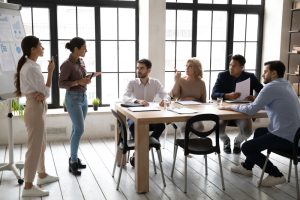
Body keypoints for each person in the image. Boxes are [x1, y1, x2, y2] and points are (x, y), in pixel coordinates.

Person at [220, 60, 300, 187]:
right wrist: (256, 101)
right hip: (296, 137)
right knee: (259, 132)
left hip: (286, 139)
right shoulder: (286, 85)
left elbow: (251, 110)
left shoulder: (271, 87)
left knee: (246, 147)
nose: (262, 75)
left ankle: (276, 174)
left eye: (265, 72)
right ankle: (247, 167)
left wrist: (231, 107)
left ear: (273, 73)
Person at [15, 36, 58, 197]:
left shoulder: (31, 65)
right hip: (34, 107)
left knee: (41, 143)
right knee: (34, 148)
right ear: (33, 49)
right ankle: (27, 186)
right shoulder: (31, 68)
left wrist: (42, 94)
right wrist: (51, 72)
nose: (43, 47)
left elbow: (43, 93)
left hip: (37, 107)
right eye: (40, 45)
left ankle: (41, 174)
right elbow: (46, 92)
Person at [211, 54, 263, 154]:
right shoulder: (222, 76)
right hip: (225, 109)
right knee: (217, 129)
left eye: (234, 66)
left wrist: (254, 98)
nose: (231, 67)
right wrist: (227, 95)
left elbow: (263, 92)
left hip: (243, 110)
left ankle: (237, 142)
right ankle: (226, 141)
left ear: (242, 67)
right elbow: (213, 94)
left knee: (248, 131)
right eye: (230, 65)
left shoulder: (250, 77)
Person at [122, 58, 169, 166]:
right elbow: (124, 97)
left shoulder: (155, 82)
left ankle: (141, 151)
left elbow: (166, 94)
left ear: (148, 70)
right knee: (134, 126)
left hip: (150, 117)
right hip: (134, 117)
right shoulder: (132, 83)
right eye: (137, 68)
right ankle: (141, 151)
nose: (138, 70)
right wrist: (137, 100)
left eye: (142, 68)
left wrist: (165, 100)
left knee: (161, 125)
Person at [59, 37, 91, 176]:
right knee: (79, 129)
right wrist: (79, 81)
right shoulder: (66, 65)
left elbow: (80, 80)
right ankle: (73, 161)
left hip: (83, 97)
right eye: (84, 47)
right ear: (76, 49)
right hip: (72, 99)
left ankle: (74, 158)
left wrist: (86, 80)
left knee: (75, 129)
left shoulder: (81, 61)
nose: (86, 50)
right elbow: (61, 84)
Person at [170, 57, 206, 133]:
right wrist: (177, 80)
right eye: (186, 66)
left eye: (190, 66)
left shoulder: (201, 83)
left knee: (200, 127)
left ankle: (188, 144)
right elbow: (173, 96)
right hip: (179, 111)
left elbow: (203, 101)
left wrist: (193, 99)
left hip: (195, 112)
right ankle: (189, 144)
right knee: (185, 127)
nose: (186, 68)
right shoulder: (181, 80)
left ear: (196, 69)